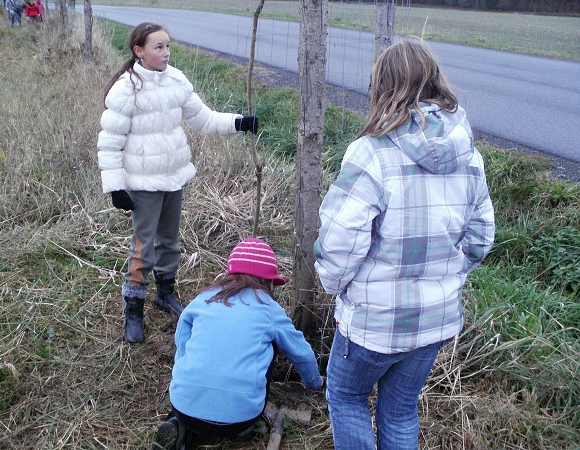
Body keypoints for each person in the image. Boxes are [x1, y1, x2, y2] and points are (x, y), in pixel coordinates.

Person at [314, 37, 495, 450]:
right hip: (436, 318)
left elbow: (340, 240)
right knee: (399, 409)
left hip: (373, 322)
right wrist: (445, 276)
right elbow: (481, 236)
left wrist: (334, 284)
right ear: (435, 80)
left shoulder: (371, 152)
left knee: (346, 396)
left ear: (382, 85)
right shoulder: (469, 155)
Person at [97, 23, 259, 345]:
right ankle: (134, 307)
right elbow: (110, 140)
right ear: (138, 51)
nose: (166, 53)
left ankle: (165, 293)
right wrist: (115, 186)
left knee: (169, 240)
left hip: (174, 178)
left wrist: (238, 123)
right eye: (158, 47)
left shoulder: (176, 80)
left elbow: (203, 118)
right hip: (143, 183)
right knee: (143, 245)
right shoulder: (126, 88)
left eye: (167, 46)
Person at [153, 237, 323, 450]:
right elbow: (302, 353)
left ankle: (180, 425)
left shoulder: (204, 299)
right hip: (241, 419)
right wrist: (314, 383)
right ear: (267, 281)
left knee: (191, 404)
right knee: (270, 344)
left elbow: (182, 341)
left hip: (182, 405)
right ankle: (241, 424)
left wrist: (184, 371)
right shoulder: (267, 307)